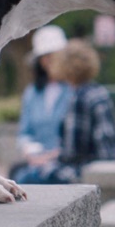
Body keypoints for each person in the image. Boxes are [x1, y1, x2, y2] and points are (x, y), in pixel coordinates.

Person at [13, 39, 115, 184]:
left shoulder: (78, 97)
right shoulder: (98, 91)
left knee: (24, 177)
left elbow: (71, 154)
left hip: (86, 169)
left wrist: (47, 159)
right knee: (20, 171)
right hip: (100, 162)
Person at [11, 27, 71, 183]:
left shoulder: (74, 90)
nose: (50, 60)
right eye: (45, 56)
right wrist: (31, 153)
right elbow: (25, 133)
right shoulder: (32, 93)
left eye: (54, 55)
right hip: (36, 163)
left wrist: (54, 155)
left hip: (66, 161)